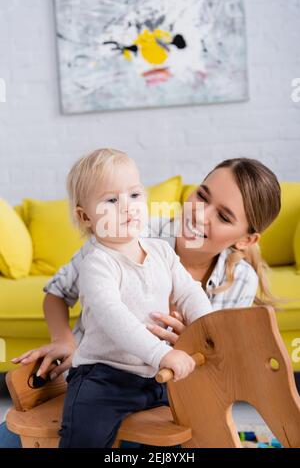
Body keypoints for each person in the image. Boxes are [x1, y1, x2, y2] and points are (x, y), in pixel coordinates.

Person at [0, 156, 281, 448]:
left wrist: (200, 335)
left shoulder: (237, 278)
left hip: (158, 384)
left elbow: (210, 347)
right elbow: (64, 293)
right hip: (98, 379)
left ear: (246, 240)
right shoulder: (125, 230)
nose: (199, 215)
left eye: (223, 216)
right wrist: (64, 339)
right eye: (202, 195)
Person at [55, 148, 214, 447]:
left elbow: (189, 291)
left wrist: (208, 325)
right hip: (104, 378)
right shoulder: (97, 263)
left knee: (189, 424)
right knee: (85, 436)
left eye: (135, 195)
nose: (127, 207)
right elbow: (115, 318)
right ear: (85, 216)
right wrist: (161, 353)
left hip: (155, 375)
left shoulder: (162, 251)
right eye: (112, 200)